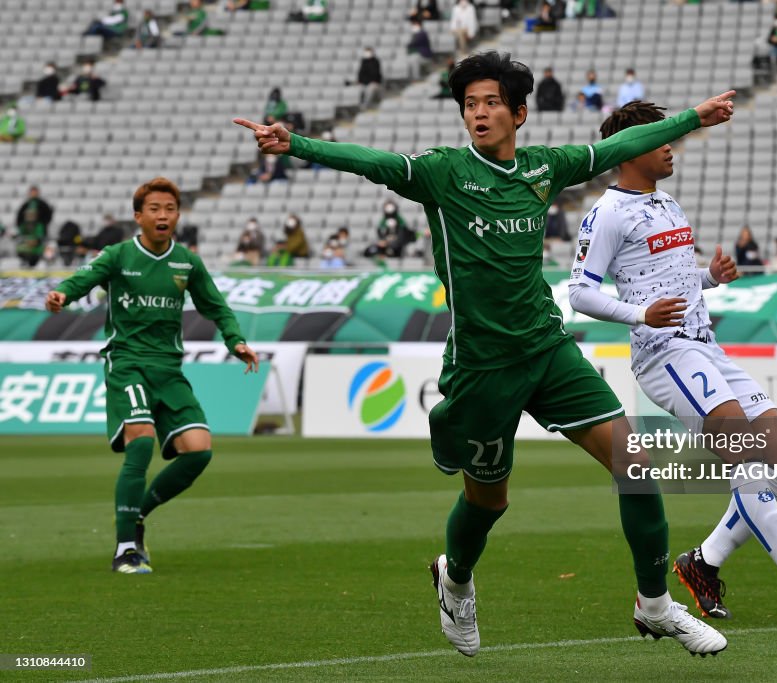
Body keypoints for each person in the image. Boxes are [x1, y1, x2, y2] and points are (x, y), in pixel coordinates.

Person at [235, 50, 735, 658]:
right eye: (470, 104)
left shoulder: (543, 168)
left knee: (634, 464)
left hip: (547, 350)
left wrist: (692, 118)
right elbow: (372, 161)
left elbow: (612, 150)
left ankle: (655, 606)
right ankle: (456, 579)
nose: (479, 113)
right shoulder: (441, 172)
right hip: (482, 367)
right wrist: (297, 145)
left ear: (519, 113)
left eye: (491, 102)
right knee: (488, 501)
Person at [569, 101, 777, 624]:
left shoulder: (667, 202)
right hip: (667, 353)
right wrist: (640, 315)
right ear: (630, 149)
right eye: (659, 137)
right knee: (748, 461)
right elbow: (579, 295)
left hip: (706, 345)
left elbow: (668, 277)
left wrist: (710, 278)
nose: (669, 144)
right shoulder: (606, 213)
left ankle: (704, 562)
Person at [44, 177, 259, 574]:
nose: (163, 216)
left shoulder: (187, 262)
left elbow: (218, 307)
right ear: (138, 216)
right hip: (127, 362)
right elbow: (82, 279)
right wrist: (63, 294)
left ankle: (136, 516)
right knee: (140, 441)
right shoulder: (119, 255)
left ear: (178, 215)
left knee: (199, 450)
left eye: (170, 209)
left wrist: (235, 340)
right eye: (155, 209)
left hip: (168, 367)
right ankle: (125, 548)